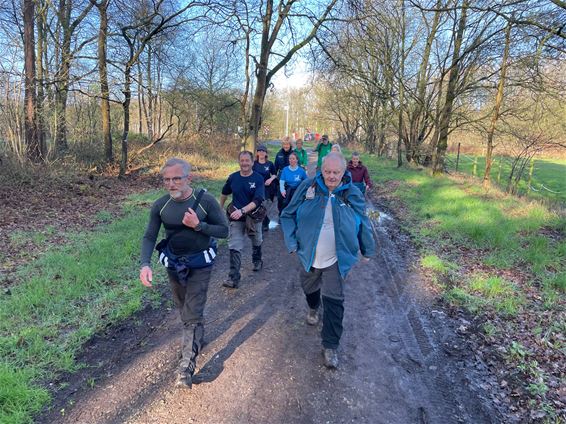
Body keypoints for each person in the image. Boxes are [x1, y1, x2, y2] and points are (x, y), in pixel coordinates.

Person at [280, 152, 376, 369]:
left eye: (336, 172)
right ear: (321, 170)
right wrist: (292, 243)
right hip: (308, 254)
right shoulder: (307, 187)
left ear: (344, 172)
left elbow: (363, 221)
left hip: (337, 257)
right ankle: (313, 307)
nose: (331, 176)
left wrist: (367, 249)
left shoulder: (352, 193)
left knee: (334, 300)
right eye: (327, 172)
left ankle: (330, 345)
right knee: (309, 287)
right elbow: (287, 215)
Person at [139, 158, 229, 388]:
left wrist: (199, 225)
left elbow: (224, 231)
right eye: (167, 179)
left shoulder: (205, 202)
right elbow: (150, 236)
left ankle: (186, 367)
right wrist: (145, 264)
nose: (171, 184)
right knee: (184, 309)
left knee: (191, 313)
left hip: (201, 264)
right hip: (174, 264)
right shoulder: (161, 206)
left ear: (189, 178)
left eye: (176, 178)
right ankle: (197, 332)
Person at [220, 151, 266, 288]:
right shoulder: (233, 177)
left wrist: (243, 211)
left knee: (256, 240)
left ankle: (257, 260)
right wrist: (219, 209)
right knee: (234, 245)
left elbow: (258, 200)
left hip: (253, 216)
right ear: (239, 162)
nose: (244, 163)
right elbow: (224, 193)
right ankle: (233, 278)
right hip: (236, 217)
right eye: (242, 160)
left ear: (252, 162)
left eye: (247, 160)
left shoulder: (258, 178)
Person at [253, 144, 277, 231]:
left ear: (266, 153)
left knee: (264, 205)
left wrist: (270, 179)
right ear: (257, 153)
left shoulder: (269, 164)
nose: (261, 152)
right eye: (259, 151)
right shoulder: (254, 164)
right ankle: (265, 221)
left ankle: (264, 223)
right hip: (256, 188)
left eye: (263, 151)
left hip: (267, 188)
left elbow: (275, 174)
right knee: (257, 205)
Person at [274, 137, 294, 213]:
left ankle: (288, 214)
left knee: (289, 198)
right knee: (280, 198)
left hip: (291, 179)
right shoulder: (279, 154)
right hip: (281, 179)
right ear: (282, 145)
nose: (286, 146)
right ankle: (281, 214)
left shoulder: (293, 154)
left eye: (287, 144)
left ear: (290, 145)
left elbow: (297, 167)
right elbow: (275, 169)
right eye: (284, 144)